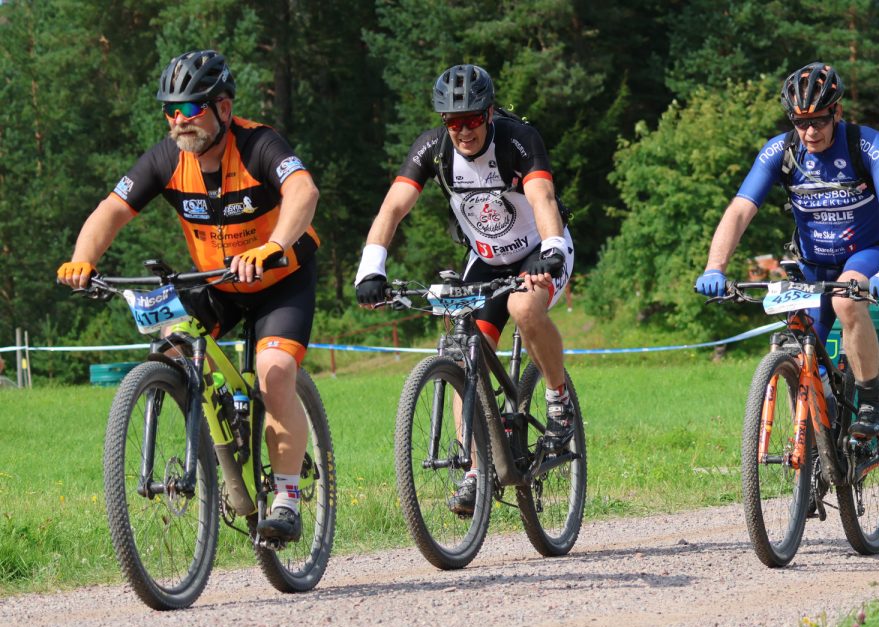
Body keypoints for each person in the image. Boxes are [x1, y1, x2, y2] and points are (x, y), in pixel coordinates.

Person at [56, 50, 321, 543]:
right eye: (170, 110)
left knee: (274, 372)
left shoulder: (259, 144)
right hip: (216, 281)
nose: (179, 120)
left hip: (280, 280)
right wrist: (82, 259)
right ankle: (219, 434)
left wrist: (274, 246)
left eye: (191, 108)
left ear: (224, 108)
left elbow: (304, 192)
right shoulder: (166, 159)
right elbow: (111, 210)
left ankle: (286, 497)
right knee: (172, 346)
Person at [355, 63, 575, 516]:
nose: (464, 131)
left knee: (524, 308)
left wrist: (551, 249)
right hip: (486, 258)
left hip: (539, 249)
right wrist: (371, 268)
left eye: (472, 119)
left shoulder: (517, 139)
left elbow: (543, 199)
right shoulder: (433, 150)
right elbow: (392, 209)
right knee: (464, 352)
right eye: (453, 122)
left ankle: (559, 400)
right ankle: (477, 467)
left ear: (489, 113)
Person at [696, 62, 879, 437]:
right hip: (811, 263)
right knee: (797, 348)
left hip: (863, 254)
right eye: (800, 122)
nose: (810, 131)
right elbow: (740, 211)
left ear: (837, 112)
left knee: (846, 302)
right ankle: (814, 443)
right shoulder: (781, 151)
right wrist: (715, 267)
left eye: (819, 121)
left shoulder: (866, 144)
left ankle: (870, 400)